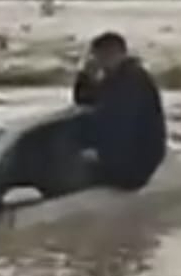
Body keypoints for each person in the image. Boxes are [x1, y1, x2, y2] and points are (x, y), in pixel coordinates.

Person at [71, 31, 167, 191]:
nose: (99, 62)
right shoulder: (117, 78)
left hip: (134, 164)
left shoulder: (131, 80)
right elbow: (86, 100)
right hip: (129, 158)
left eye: (100, 57)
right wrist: (85, 76)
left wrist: (99, 154)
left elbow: (117, 123)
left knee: (71, 173)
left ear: (113, 54)